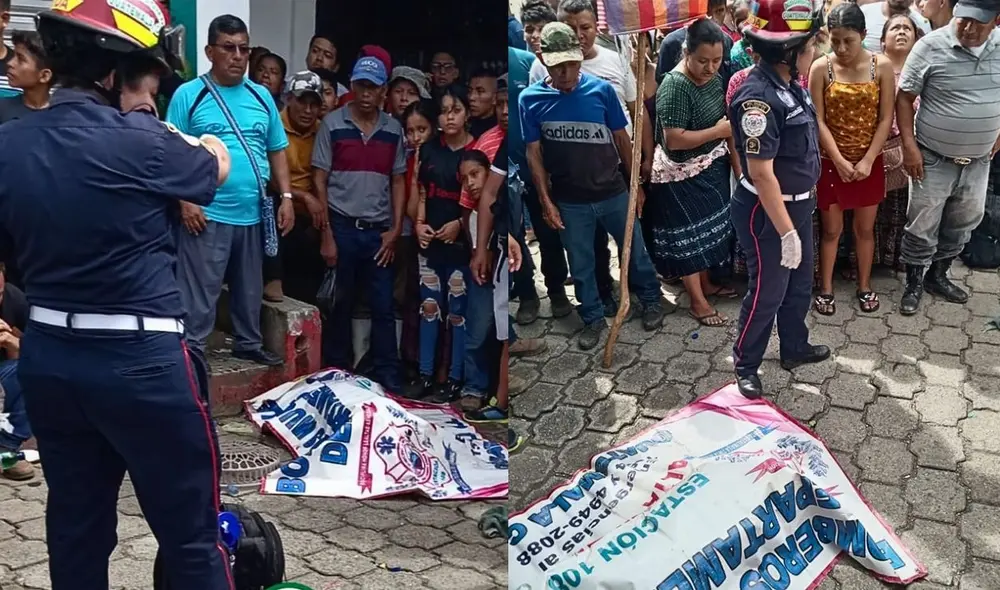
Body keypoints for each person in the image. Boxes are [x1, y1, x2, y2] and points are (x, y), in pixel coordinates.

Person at [0, 0, 235, 587]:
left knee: (76, 527)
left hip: (50, 359)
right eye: (150, 77)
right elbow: (217, 167)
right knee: (189, 536)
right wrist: (179, 129)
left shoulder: (10, 143)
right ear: (114, 75)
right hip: (144, 365)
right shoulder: (144, 141)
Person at [521, 22, 666, 351]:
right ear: (543, 60)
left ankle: (651, 301)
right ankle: (592, 318)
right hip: (570, 201)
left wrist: (637, 188)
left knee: (636, 253)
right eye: (558, 67)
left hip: (613, 192)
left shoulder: (600, 91)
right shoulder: (530, 100)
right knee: (582, 265)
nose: (567, 74)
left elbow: (621, 140)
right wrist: (546, 201)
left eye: (572, 64)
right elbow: (534, 154)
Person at [167, 15, 293, 368]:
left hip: (253, 212)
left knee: (249, 289)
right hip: (207, 213)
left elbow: (276, 149)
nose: (238, 56)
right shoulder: (189, 95)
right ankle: (191, 352)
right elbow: (172, 152)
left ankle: (248, 343)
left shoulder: (261, 97)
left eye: (244, 48)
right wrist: (186, 201)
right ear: (210, 51)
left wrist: (286, 198)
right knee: (200, 292)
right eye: (229, 48)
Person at [729, 0, 831, 399]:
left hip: (798, 205)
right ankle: (746, 364)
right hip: (767, 213)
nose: (815, 53)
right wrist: (786, 232)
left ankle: (794, 346)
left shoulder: (789, 85)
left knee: (799, 283)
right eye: (809, 46)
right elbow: (760, 173)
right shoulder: (758, 99)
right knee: (768, 289)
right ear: (788, 53)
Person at [896, 0, 1000, 315]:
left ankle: (938, 276)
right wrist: (910, 148)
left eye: (977, 23)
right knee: (922, 223)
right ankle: (913, 282)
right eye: (963, 20)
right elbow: (904, 97)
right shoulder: (930, 46)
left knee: (965, 221)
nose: (967, 28)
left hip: (979, 161)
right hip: (932, 157)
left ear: (996, 21)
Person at [313, 56, 406, 392]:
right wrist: (326, 234)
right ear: (352, 87)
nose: (367, 93)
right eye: (361, 85)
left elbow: (398, 181)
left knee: (383, 307)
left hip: (379, 232)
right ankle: (337, 375)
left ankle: (389, 378)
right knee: (341, 304)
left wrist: (395, 230)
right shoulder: (333, 124)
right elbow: (319, 179)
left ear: (383, 90)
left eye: (374, 86)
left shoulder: (393, 130)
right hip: (342, 227)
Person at [649, 18, 738, 327]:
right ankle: (697, 302)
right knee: (690, 240)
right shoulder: (674, 86)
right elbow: (674, 138)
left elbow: (724, 122)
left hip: (710, 168)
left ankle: (707, 285)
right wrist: (717, 131)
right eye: (703, 60)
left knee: (708, 235)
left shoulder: (713, 80)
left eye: (716, 61)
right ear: (686, 52)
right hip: (680, 176)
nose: (711, 68)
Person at [809, 2, 896, 315]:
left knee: (864, 229)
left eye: (849, 40)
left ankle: (864, 285)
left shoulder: (881, 66)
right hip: (831, 164)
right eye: (835, 41)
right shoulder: (821, 67)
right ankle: (826, 288)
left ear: (863, 34)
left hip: (869, 163)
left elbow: (886, 117)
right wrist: (840, 161)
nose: (842, 47)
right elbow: (817, 120)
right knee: (831, 230)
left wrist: (868, 159)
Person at [875, 13, 923, 272]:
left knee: (901, 207)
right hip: (878, 149)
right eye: (895, 28)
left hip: (910, 150)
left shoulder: (923, 75)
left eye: (907, 28)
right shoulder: (871, 72)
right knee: (872, 209)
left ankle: (894, 259)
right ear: (882, 42)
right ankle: (866, 261)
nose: (902, 31)